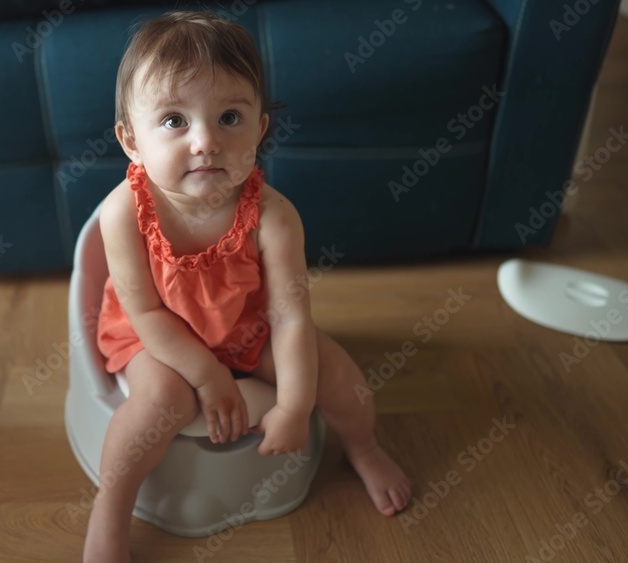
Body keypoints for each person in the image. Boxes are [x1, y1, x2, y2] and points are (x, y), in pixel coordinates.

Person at [83, 11, 411, 562]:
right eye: (173, 121)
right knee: (161, 399)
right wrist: (208, 377)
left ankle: (365, 446)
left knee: (338, 376)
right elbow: (144, 312)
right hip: (154, 335)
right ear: (130, 141)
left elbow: (289, 319)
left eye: (229, 117)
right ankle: (111, 509)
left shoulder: (274, 218)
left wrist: (294, 405)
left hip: (246, 330)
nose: (206, 141)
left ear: (259, 129)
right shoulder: (123, 213)